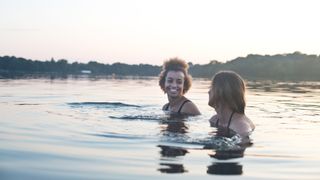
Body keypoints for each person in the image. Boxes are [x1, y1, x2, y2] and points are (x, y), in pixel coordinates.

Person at [208, 71, 255, 137]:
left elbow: (243, 145)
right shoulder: (214, 120)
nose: (208, 91)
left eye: (211, 87)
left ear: (221, 92)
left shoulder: (241, 127)